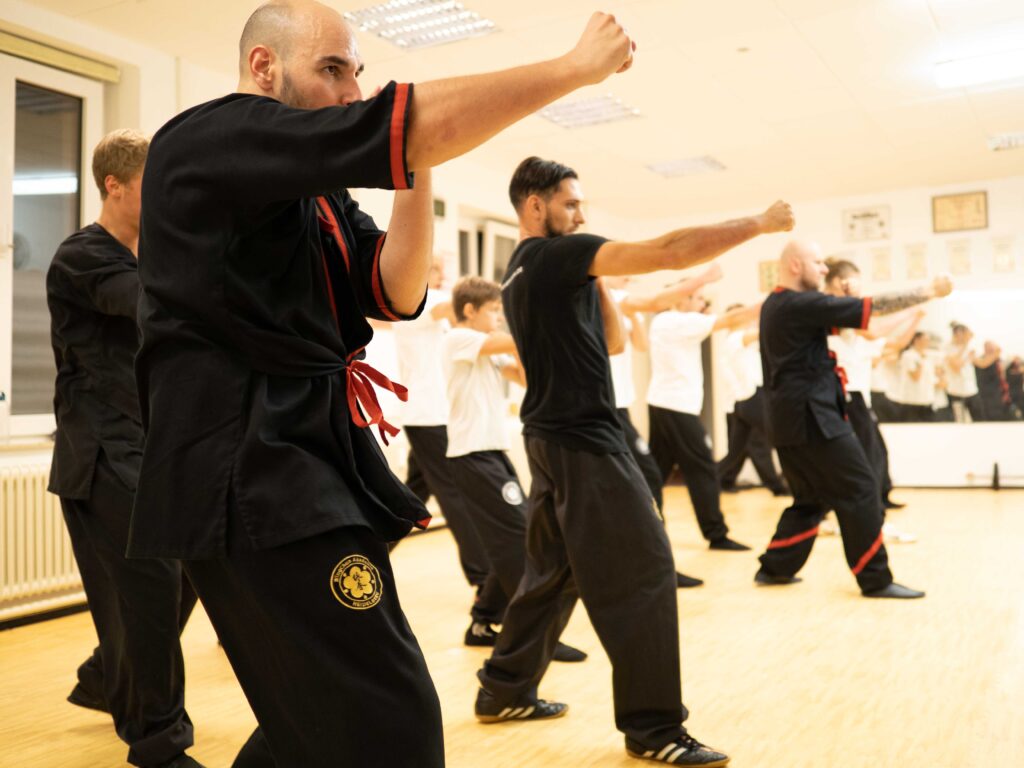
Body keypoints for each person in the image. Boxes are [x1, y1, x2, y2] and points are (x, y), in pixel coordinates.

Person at [129, 3, 640, 766]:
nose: (349, 89)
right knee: (388, 715)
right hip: (248, 474)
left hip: (304, 464)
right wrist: (569, 69)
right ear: (265, 67)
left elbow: (393, 292)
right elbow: (394, 128)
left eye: (358, 73)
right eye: (332, 68)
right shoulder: (211, 137)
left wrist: (416, 164)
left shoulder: (314, 195)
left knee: (315, 717)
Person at [475, 154, 794, 767]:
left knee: (551, 575)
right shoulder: (552, 255)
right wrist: (758, 223)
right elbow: (671, 249)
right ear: (535, 206)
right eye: (571, 203)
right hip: (585, 445)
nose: (582, 213)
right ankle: (654, 728)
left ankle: (504, 688)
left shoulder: (520, 270)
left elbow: (616, 342)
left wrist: (595, 281)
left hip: (549, 441)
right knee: (645, 572)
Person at [46, 129, 201, 768]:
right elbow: (147, 306)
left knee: (188, 571)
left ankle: (102, 677)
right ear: (114, 185)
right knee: (151, 596)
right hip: (101, 460)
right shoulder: (82, 257)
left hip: (146, 453)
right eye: (152, 184)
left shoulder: (143, 256)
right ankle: (158, 744)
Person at [755, 240, 952, 599]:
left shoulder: (780, 305)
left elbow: (849, 325)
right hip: (812, 419)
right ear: (796, 265)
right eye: (818, 263)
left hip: (790, 421)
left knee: (810, 499)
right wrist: (929, 291)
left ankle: (775, 568)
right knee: (861, 488)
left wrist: (840, 299)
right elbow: (872, 309)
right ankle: (874, 579)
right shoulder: (798, 303)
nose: (825, 268)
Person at [442, 275, 586, 662]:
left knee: (514, 539)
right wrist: (536, 311)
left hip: (491, 454)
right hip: (472, 456)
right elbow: (511, 341)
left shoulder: (486, 347)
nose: (499, 317)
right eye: (493, 310)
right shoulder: (460, 338)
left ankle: (482, 622)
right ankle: (537, 635)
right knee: (522, 542)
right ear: (470, 311)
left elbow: (522, 374)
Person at [391, 256, 506, 644]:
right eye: (433, 269)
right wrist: (462, 296)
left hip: (434, 416)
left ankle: (370, 553)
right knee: (454, 497)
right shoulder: (416, 305)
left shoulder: (441, 320)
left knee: (408, 502)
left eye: (440, 270)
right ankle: (482, 579)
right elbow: (445, 304)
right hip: (427, 417)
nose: (440, 275)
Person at [605, 276, 706, 588]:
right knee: (648, 479)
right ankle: (654, 566)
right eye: (623, 272)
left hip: (621, 406)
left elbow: (639, 345)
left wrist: (630, 311)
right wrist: (702, 279)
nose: (628, 277)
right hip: (611, 408)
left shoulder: (619, 302)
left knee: (645, 480)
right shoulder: (606, 297)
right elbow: (654, 303)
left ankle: (650, 563)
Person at [646, 290, 761, 551]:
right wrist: (771, 302)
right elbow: (733, 318)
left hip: (665, 404)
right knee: (703, 469)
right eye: (698, 299)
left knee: (655, 473)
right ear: (680, 299)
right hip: (677, 408)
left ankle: (647, 532)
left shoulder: (670, 322)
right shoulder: (676, 320)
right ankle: (716, 534)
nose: (703, 304)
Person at [716, 315, 788, 496]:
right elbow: (758, 334)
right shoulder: (735, 338)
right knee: (781, 437)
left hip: (745, 401)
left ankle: (711, 479)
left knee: (735, 452)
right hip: (750, 399)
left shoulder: (740, 343)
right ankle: (786, 486)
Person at [944, 323, 984, 422]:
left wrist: (994, 354)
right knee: (959, 421)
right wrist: (967, 353)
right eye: (966, 333)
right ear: (958, 334)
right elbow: (956, 366)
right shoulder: (948, 348)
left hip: (972, 390)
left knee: (979, 420)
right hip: (956, 391)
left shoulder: (970, 348)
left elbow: (981, 363)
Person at [897, 332, 937, 422]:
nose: (927, 342)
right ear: (916, 340)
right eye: (925, 340)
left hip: (927, 400)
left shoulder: (928, 356)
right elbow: (915, 377)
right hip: (912, 401)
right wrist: (921, 361)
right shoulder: (908, 355)